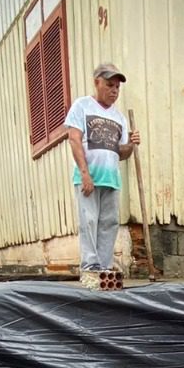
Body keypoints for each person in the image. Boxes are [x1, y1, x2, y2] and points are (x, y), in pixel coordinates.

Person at [63, 63, 142, 271]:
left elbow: (122, 153)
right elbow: (74, 139)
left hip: (111, 178)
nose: (114, 90)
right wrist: (84, 173)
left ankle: (104, 268)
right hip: (89, 176)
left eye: (117, 87)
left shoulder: (119, 118)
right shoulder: (82, 106)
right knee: (88, 222)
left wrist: (132, 143)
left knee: (109, 223)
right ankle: (91, 267)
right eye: (109, 85)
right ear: (97, 82)